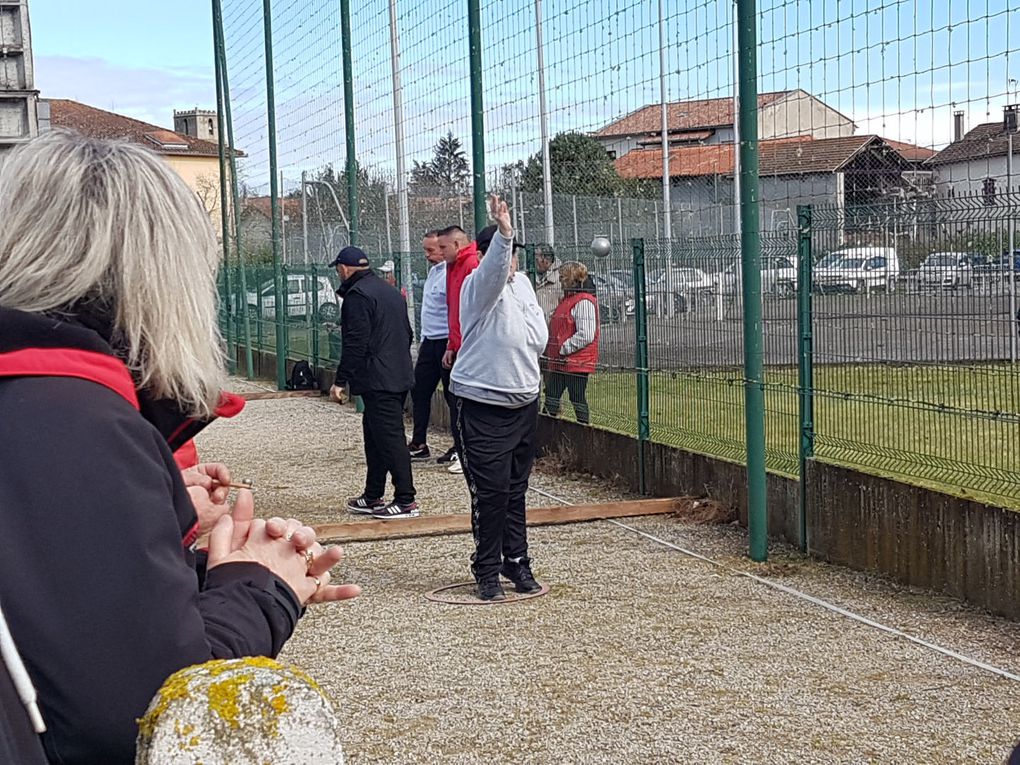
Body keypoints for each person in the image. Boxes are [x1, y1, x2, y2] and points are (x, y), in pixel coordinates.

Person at [0, 131, 360, 764]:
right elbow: (145, 715)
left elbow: (46, 607)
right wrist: (260, 587)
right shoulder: (75, 422)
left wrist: (160, 543)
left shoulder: (32, 402)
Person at [451, 195, 548, 601]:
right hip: (481, 406)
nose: (511, 263)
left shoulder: (523, 285)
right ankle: (486, 569)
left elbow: (536, 339)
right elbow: (492, 272)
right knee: (490, 494)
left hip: (524, 404)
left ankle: (517, 561)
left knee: (515, 489)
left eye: (513, 255)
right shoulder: (478, 287)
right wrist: (504, 231)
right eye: (506, 255)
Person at [329, 246, 419, 519]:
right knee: (375, 436)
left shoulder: (357, 297)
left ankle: (406, 499)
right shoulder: (390, 291)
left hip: (379, 378)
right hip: (398, 373)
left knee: (390, 438)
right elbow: (408, 333)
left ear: (343, 269)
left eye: (338, 270)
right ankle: (373, 494)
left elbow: (355, 343)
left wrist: (341, 380)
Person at [407, 230, 462, 471]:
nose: (427, 256)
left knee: (453, 396)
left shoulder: (452, 272)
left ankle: (459, 445)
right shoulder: (433, 272)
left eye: (431, 250)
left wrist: (453, 342)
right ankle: (419, 442)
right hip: (430, 340)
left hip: (446, 341)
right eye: (426, 250)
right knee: (420, 390)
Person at [542, 262, 600, 425]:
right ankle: (547, 431)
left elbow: (587, 334)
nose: (560, 281)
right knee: (552, 396)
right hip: (561, 361)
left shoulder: (584, 302)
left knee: (577, 397)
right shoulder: (568, 300)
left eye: (563, 277)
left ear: (571, 279)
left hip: (575, 362)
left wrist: (565, 347)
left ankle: (584, 429)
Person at [534, 244, 562, 320]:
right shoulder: (530, 276)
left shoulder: (561, 277)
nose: (534, 263)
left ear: (546, 260)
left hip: (555, 324)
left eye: (536, 259)